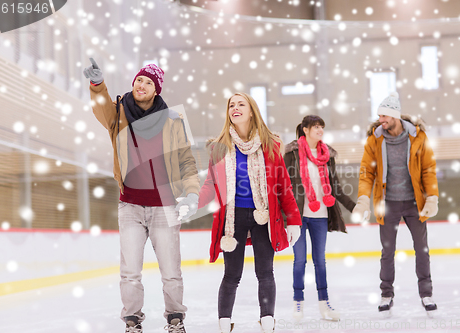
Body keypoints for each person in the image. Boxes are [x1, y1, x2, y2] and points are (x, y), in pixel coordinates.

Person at [83, 59, 200, 333]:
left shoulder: (174, 119)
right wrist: (98, 86)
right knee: (130, 273)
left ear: (157, 89)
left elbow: (186, 160)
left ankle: (175, 318)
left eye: (148, 82)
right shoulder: (119, 112)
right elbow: (101, 110)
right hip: (130, 206)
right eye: (139, 80)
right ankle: (132, 320)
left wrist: (192, 192)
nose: (141, 85)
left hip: (165, 206)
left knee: (171, 272)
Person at [197, 93, 302, 333]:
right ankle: (225, 323)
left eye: (240, 104)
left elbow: (283, 185)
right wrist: (192, 201)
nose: (235, 108)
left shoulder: (271, 145)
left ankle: (267, 320)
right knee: (231, 274)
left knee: (265, 272)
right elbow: (210, 185)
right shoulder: (219, 148)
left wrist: (293, 220)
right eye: (231, 105)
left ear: (252, 110)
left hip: (263, 217)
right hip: (232, 220)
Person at [352, 92, 439, 316]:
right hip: (388, 203)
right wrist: (363, 199)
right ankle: (386, 294)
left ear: (395, 116)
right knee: (387, 251)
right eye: (379, 115)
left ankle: (426, 293)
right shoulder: (375, 139)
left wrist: (432, 197)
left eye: (385, 116)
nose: (381, 119)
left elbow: (428, 169)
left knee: (422, 249)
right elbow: (366, 172)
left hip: (414, 203)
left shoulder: (418, 137)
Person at [283, 115, 355, 321]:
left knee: (320, 261)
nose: (320, 130)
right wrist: (283, 217)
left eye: (321, 127)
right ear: (305, 129)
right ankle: (298, 304)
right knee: (299, 261)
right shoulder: (292, 154)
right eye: (316, 127)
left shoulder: (327, 155)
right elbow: (284, 187)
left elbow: (336, 188)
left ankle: (325, 305)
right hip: (298, 217)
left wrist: (354, 206)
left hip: (321, 215)